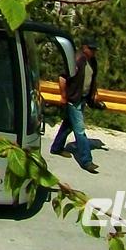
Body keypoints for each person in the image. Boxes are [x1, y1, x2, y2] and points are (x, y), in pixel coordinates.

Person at [49, 38, 103, 174]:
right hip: (73, 99)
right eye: (91, 49)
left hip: (83, 97)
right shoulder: (77, 60)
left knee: (68, 125)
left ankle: (56, 148)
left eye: (95, 49)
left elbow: (92, 79)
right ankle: (86, 161)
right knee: (79, 130)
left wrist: (94, 94)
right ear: (84, 47)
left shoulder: (93, 62)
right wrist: (63, 96)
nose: (94, 51)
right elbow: (62, 78)